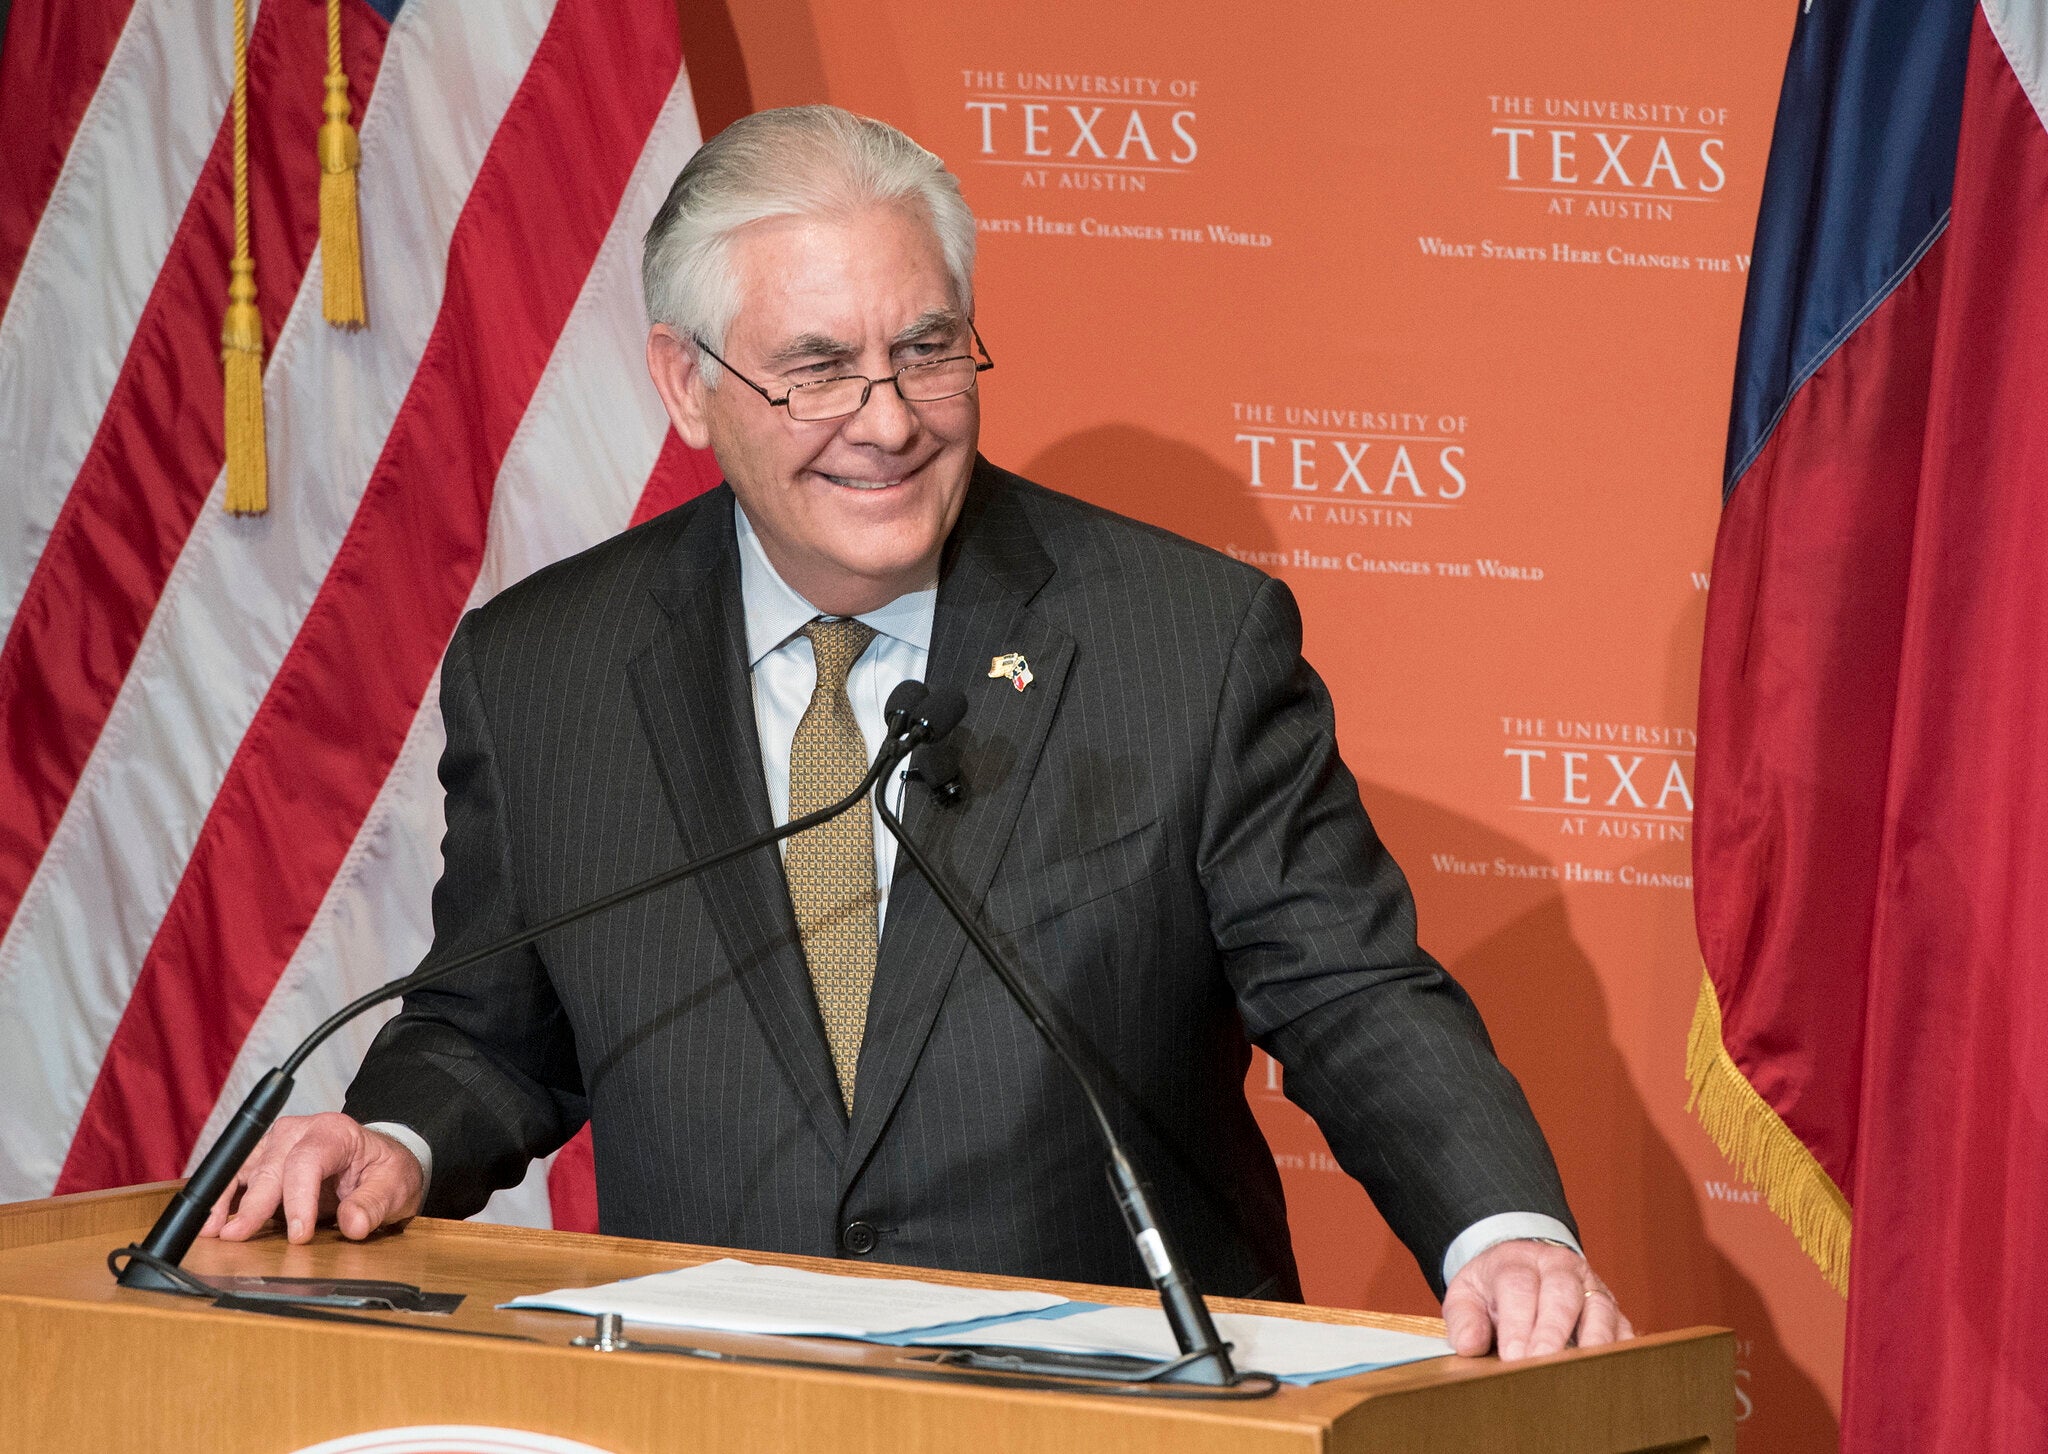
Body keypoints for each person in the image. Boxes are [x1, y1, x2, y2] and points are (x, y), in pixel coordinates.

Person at [205, 105, 1631, 1361]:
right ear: (685, 381)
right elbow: (490, 1026)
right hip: (717, 1403)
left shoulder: (1180, 641)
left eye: (927, 351)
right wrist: (384, 1136)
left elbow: (1350, 992)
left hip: (1110, 1411)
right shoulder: (548, 671)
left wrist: (1498, 1229)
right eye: (815, 367)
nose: (885, 421)